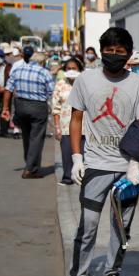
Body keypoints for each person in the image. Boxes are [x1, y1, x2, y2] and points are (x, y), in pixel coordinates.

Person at [64, 27, 139, 276]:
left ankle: (112, 274)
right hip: (96, 166)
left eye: (120, 51)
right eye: (109, 50)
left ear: (128, 54)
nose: (114, 55)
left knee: (121, 226)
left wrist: (135, 164)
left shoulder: (138, 85)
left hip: (127, 169)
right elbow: (76, 119)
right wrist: (77, 158)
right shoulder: (85, 80)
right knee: (88, 225)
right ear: (101, 51)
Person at [1, 45, 55, 178]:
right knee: (36, 137)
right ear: (41, 61)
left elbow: (8, 89)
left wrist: (5, 108)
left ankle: (30, 165)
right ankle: (30, 169)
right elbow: (50, 92)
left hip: (21, 106)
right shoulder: (44, 73)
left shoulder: (18, 71)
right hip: (38, 107)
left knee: (26, 136)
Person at [52, 57, 84, 186]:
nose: (71, 71)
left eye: (74, 68)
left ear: (79, 69)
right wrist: (57, 127)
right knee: (66, 152)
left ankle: (82, 177)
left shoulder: (84, 83)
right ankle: (67, 177)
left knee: (83, 153)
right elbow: (55, 107)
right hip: (65, 126)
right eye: (68, 68)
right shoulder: (60, 84)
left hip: (84, 126)